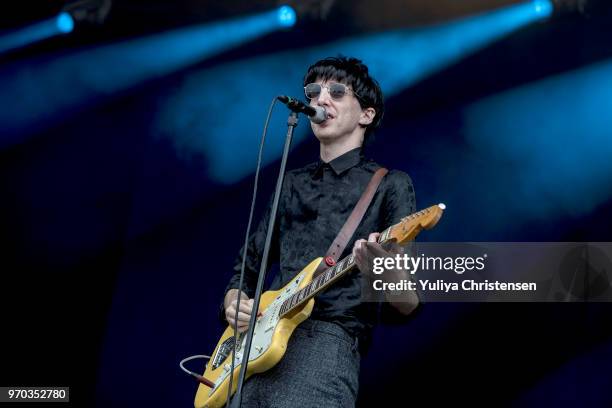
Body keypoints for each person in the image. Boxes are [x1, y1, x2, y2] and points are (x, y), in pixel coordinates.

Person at [221, 56, 419, 407]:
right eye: (313, 92)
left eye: (337, 92)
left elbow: (407, 304)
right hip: (256, 350)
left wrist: (383, 271)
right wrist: (234, 303)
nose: (319, 100)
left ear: (366, 115)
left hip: (325, 348)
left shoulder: (390, 184)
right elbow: (246, 269)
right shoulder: (291, 182)